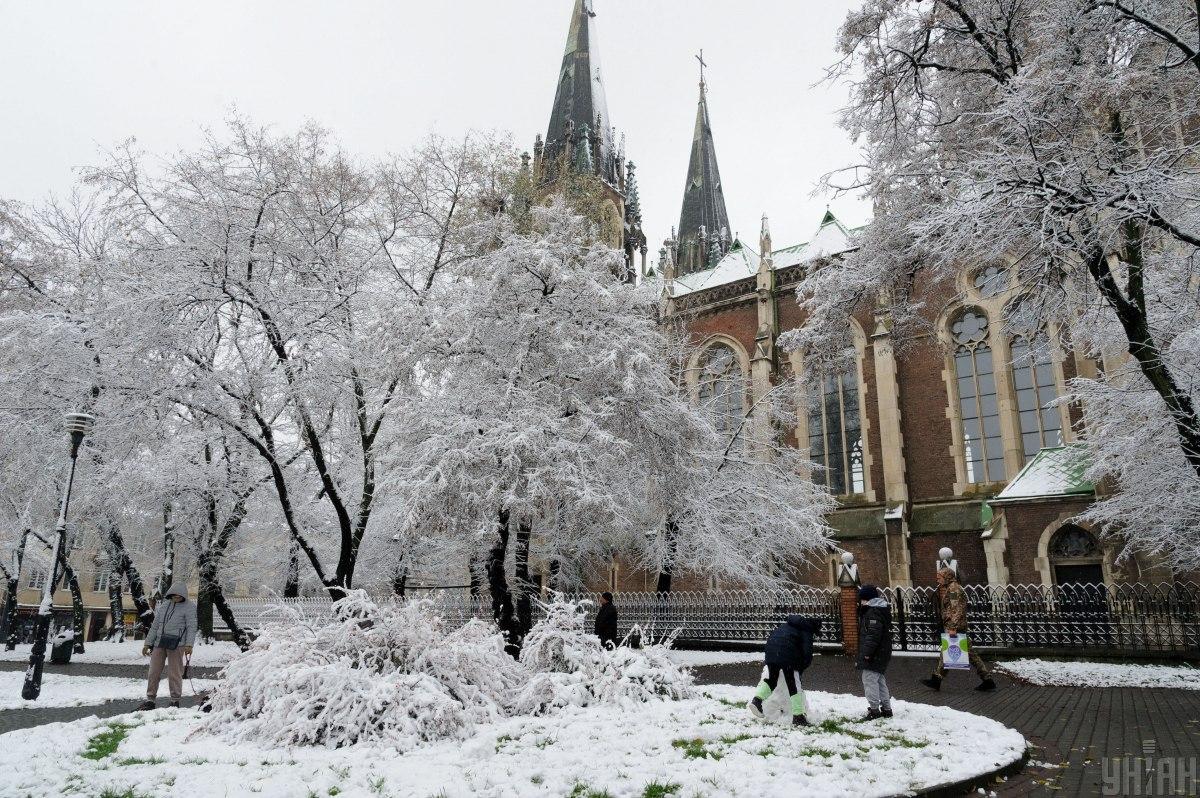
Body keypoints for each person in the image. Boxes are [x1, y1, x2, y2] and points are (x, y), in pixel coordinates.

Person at [921, 567, 996, 691]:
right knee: (952, 653)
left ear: (947, 576)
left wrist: (953, 627)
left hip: (956, 628)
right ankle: (937, 679)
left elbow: (956, 609)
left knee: (965, 654)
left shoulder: (953, 589)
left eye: (940, 575)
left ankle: (987, 679)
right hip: (954, 626)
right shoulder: (950, 588)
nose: (937, 578)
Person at [747, 615, 823, 727]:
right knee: (793, 685)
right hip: (787, 655)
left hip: (771, 652)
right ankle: (798, 717)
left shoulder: (789, 625)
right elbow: (807, 654)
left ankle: (757, 701)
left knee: (772, 680)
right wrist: (800, 670)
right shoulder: (807, 629)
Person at [137, 581, 197, 710]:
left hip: (178, 644)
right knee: (153, 671)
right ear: (170, 594)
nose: (176, 597)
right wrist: (148, 643)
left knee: (174, 673)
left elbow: (192, 627)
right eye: (174, 595)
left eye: (179, 595)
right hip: (159, 642)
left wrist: (189, 645)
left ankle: (175, 700)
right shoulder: (164, 605)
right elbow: (155, 626)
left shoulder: (190, 607)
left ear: (183, 595)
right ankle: (150, 699)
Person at [855, 584, 894, 720]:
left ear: (867, 599)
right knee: (879, 680)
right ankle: (886, 708)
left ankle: (874, 710)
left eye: (862, 599)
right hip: (881, 652)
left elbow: (872, 636)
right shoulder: (878, 610)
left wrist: (867, 653)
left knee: (869, 680)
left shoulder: (872, 613)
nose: (860, 602)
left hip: (875, 653)